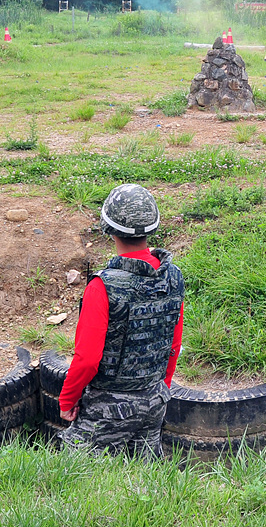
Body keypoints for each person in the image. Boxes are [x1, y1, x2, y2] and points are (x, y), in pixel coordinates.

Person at [57, 184, 184, 457]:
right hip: (155, 398)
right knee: (143, 481)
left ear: (108, 228)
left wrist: (67, 399)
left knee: (73, 480)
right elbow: (174, 343)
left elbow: (88, 358)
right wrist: (162, 387)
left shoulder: (102, 286)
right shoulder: (172, 276)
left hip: (108, 407)